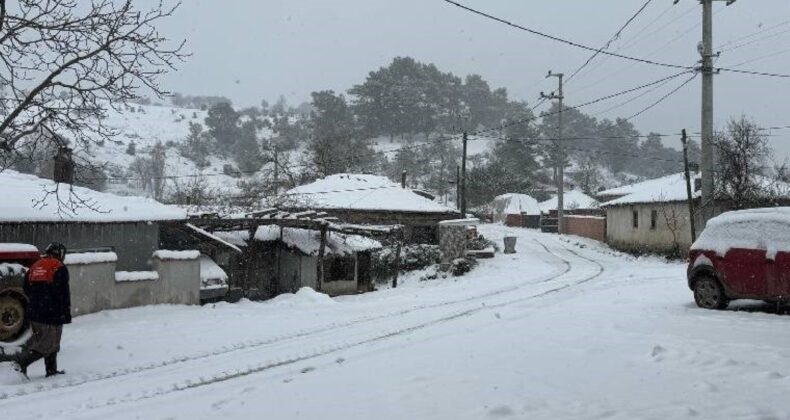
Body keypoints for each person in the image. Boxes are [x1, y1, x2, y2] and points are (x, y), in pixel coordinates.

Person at [13, 242, 71, 378]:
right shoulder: (59, 267)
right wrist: (64, 313)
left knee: (51, 342)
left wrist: (37, 302)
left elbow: (26, 288)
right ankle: (20, 364)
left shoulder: (35, 266)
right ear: (60, 254)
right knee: (48, 344)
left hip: (35, 312)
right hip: (51, 313)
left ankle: (51, 371)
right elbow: (63, 292)